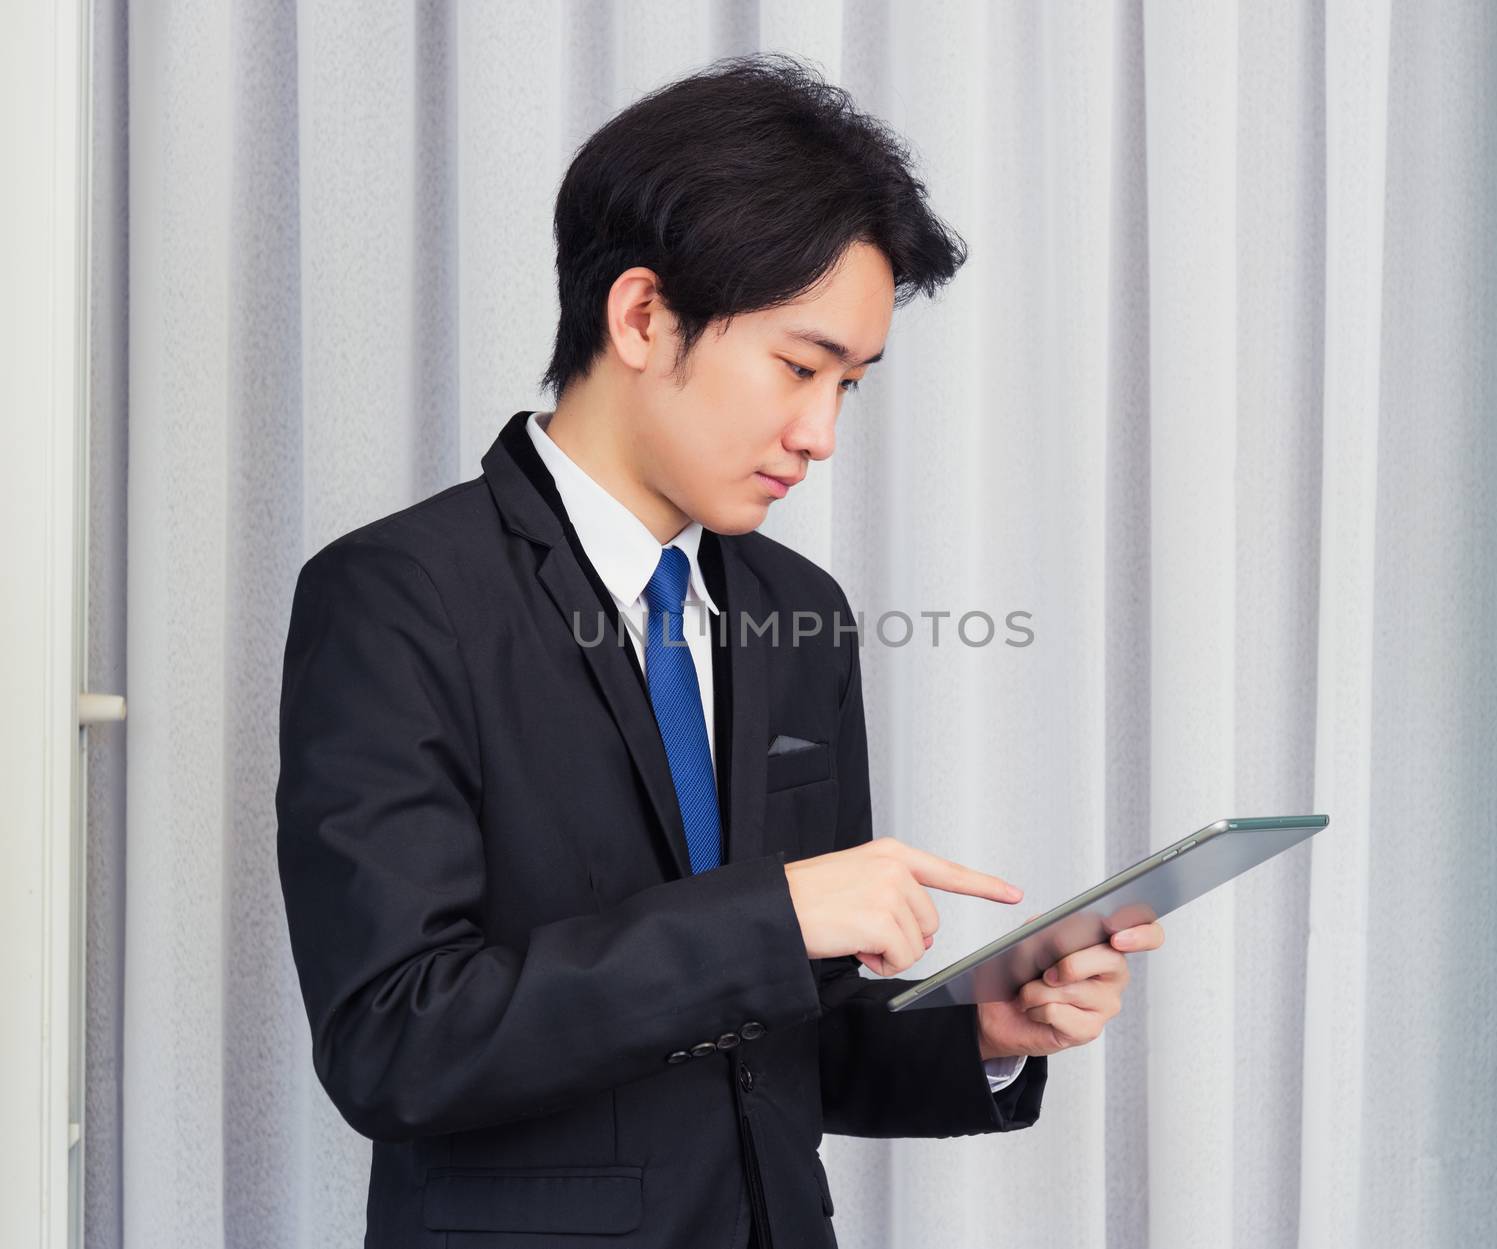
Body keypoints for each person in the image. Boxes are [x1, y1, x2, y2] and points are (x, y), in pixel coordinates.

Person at [275, 51, 1163, 1249]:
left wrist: (983, 1029)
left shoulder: (799, 608)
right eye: (798, 368)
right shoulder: (397, 596)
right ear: (641, 315)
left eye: (850, 384)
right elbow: (397, 1041)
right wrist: (777, 914)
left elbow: (784, 1037)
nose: (820, 434)